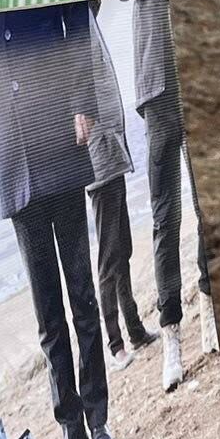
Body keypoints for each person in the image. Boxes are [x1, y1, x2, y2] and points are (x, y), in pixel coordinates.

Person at [0, 5, 117, 439]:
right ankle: (72, 436)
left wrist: (84, 99)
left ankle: (98, 421)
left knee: (81, 296)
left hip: (57, 130)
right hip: (14, 156)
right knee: (47, 316)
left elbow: (77, 11)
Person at [130, 0, 214, 391]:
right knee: (166, 217)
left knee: (206, 206)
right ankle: (171, 337)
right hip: (156, 78)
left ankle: (210, 302)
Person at [79, 40, 157, 372]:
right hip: (100, 159)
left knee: (121, 248)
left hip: (112, 153)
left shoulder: (86, 19)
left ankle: (135, 329)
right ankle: (115, 343)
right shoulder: (76, 26)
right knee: (110, 257)